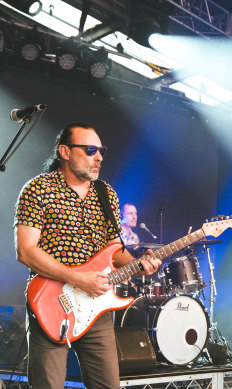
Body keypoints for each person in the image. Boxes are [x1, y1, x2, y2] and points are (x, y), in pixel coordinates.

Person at [14, 123, 162, 388]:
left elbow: (115, 252)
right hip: (51, 300)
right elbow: (25, 251)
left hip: (96, 305)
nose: (99, 157)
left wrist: (139, 265)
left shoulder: (107, 195)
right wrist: (79, 279)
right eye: (91, 149)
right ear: (65, 152)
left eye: (101, 150)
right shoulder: (37, 190)